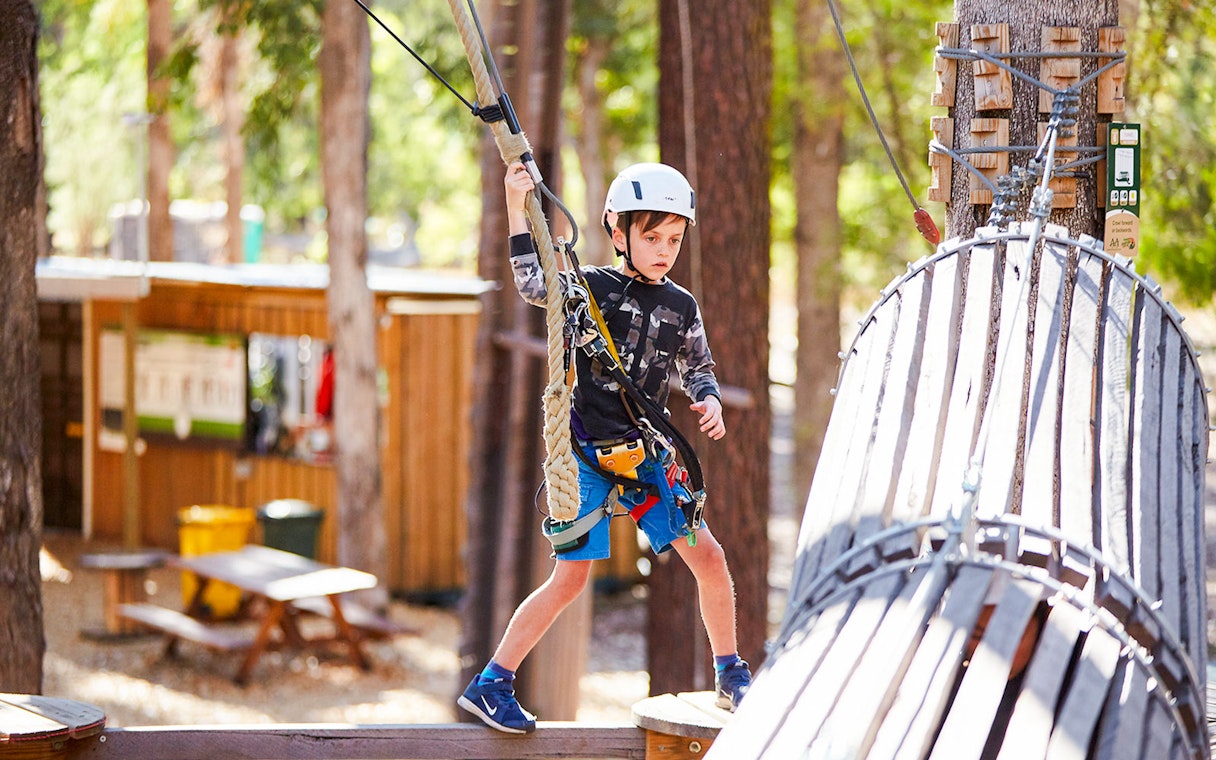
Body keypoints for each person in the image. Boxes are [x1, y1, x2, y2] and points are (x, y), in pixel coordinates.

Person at [457, 161, 751, 734]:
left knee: (710, 559)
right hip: (588, 454)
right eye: (651, 237)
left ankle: (730, 672)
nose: (664, 250)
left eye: (673, 239)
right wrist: (518, 207)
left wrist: (708, 398)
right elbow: (532, 284)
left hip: (646, 456)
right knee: (571, 576)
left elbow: (699, 365)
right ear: (618, 232)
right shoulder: (588, 289)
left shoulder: (682, 307)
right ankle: (491, 682)